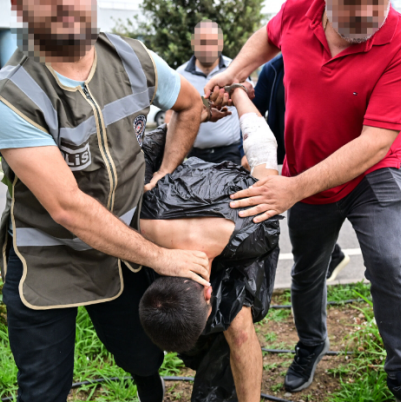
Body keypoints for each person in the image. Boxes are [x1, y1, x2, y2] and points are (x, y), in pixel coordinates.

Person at [0, 1, 229, 401]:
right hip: (47, 263)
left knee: (143, 356)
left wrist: (165, 171)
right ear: (19, 7)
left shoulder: (133, 58)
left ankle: (149, 384)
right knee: (43, 390)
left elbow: (190, 104)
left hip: (121, 253)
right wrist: (160, 258)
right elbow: (67, 206)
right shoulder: (9, 98)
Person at [204, 0, 401, 401]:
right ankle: (311, 344)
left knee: (390, 262)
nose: (365, 20)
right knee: (307, 271)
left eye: (375, 10)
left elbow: (375, 142)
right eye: (352, 10)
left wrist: (292, 188)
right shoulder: (298, 10)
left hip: (373, 171)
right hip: (307, 171)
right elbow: (268, 38)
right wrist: (233, 73)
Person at [139, 83, 280, 402]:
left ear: (208, 291)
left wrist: (239, 93)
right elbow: (150, 142)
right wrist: (195, 112)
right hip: (179, 210)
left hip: (230, 217)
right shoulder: (136, 219)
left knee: (238, 323)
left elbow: (262, 146)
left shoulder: (253, 223)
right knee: (193, 331)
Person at [254, 54, 350, 283]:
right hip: (292, 156)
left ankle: (333, 256)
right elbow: (256, 109)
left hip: (328, 156)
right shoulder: (273, 69)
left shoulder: (325, 61)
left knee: (318, 212)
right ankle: (332, 257)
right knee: (304, 219)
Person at [173, 20, 245, 165]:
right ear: (193, 43)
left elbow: (250, 112)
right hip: (194, 156)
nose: (207, 48)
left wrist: (248, 152)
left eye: (212, 42)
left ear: (221, 43)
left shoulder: (236, 70)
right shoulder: (179, 75)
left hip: (231, 154)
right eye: (202, 42)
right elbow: (171, 115)